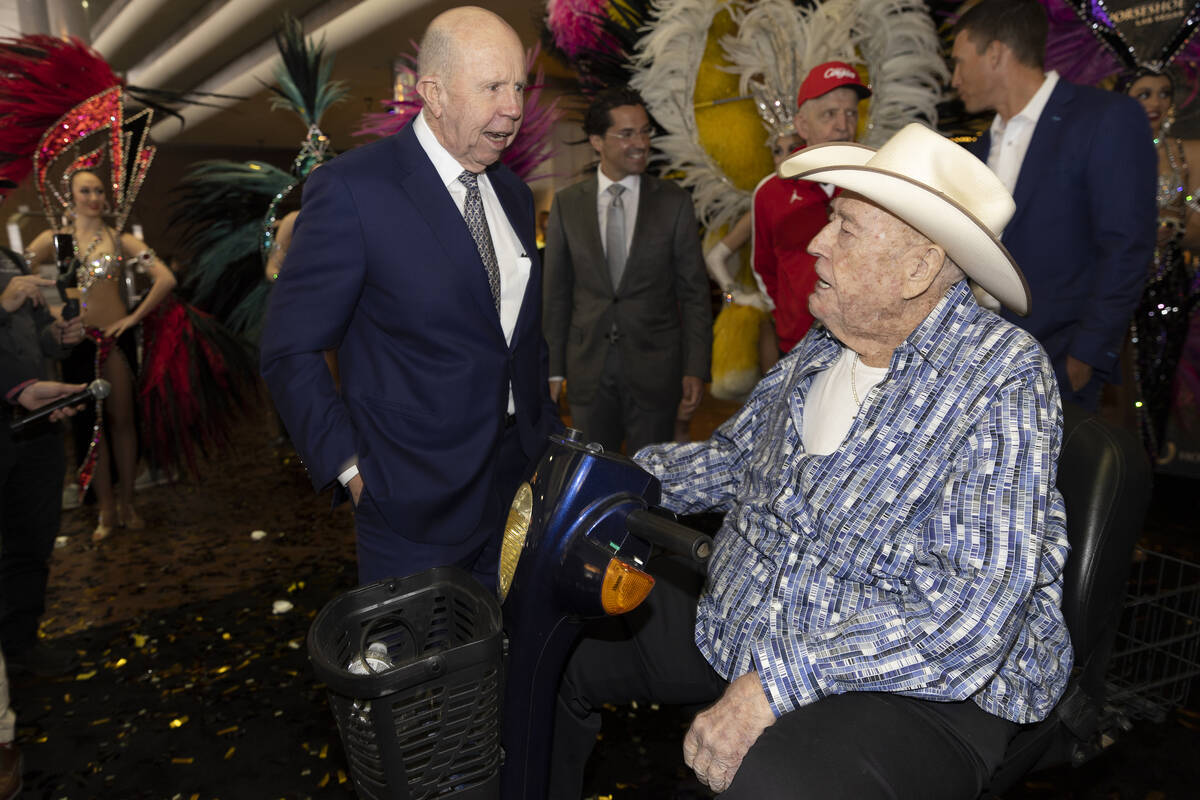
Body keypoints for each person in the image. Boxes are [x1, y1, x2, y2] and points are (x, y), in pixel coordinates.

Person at [550, 123, 1071, 799]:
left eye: (845, 228)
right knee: (555, 640)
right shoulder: (827, 344)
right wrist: (606, 480)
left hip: (916, 681)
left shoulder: (1001, 377)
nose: (818, 242)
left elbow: (969, 615)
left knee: (777, 783)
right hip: (753, 612)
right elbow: (733, 462)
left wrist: (775, 683)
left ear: (918, 267)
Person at [260, 6, 559, 588]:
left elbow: (519, 339)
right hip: (410, 501)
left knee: (506, 664)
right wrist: (350, 469)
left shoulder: (515, 196)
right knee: (421, 671)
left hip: (516, 490)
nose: (514, 108)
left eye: (518, 86)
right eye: (493, 87)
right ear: (434, 93)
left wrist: (541, 441)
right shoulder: (353, 191)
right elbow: (289, 349)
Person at [952, 0, 1157, 410]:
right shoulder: (977, 150)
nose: (954, 79)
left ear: (995, 53)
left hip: (1057, 362)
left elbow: (1128, 245)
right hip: (975, 363)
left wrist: (1085, 356)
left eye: (958, 62)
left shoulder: (1106, 118)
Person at [543, 86, 712, 454]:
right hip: (589, 372)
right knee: (590, 479)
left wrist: (695, 367)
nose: (641, 142)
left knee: (648, 481)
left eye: (645, 131)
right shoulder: (568, 205)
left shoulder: (674, 202)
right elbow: (556, 294)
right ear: (597, 141)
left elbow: (694, 293)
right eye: (627, 133)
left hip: (657, 371)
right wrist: (554, 368)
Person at [24, 170, 177, 542]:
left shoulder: (118, 238)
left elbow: (165, 278)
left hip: (114, 339)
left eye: (98, 190)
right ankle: (105, 508)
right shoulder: (56, 239)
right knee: (90, 427)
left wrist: (132, 317)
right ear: (70, 196)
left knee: (122, 421)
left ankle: (127, 502)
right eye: (85, 190)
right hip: (76, 341)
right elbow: (20, 272)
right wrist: (50, 314)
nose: (93, 196)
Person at [750, 61, 871, 360]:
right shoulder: (771, 192)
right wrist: (790, 318)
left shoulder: (876, 185)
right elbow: (763, 268)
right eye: (830, 114)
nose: (843, 125)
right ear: (802, 125)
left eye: (850, 113)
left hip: (866, 346)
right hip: (797, 347)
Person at [0, 248, 84, 677]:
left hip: (35, 425)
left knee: (33, 541)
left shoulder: (11, 261)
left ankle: (21, 645)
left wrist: (59, 336)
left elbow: (34, 335)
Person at [1119, 68, 1200, 458]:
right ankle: (1117, 465)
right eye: (1144, 94)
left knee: (1157, 375)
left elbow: (1194, 222)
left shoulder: (1183, 153)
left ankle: (1146, 463)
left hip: (1168, 281)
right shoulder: (1108, 150)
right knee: (1117, 380)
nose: (1155, 102)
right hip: (1118, 281)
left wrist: (1177, 223)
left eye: (1163, 93)